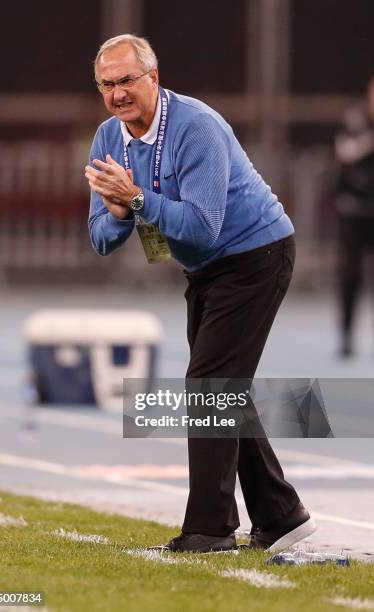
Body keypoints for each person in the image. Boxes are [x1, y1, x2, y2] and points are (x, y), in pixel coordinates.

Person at [85, 34, 316, 553]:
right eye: (107, 85)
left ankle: (210, 529)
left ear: (153, 78)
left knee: (209, 385)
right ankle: (281, 514)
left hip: (256, 254)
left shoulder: (197, 127)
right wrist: (122, 212)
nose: (118, 93)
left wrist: (138, 198)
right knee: (223, 388)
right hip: (206, 269)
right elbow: (100, 238)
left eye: (126, 80)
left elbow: (204, 227)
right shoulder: (107, 138)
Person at [334, 75, 374, 357]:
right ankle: (346, 336)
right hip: (354, 210)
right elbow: (345, 153)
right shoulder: (354, 120)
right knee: (350, 275)